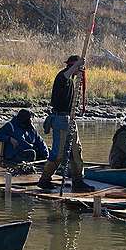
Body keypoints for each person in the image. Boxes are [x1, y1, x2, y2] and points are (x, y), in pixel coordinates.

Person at [36, 55, 93, 192]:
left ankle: (78, 181)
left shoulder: (73, 81)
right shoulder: (62, 76)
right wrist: (77, 65)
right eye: (78, 68)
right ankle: (44, 180)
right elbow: (66, 75)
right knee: (59, 154)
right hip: (60, 119)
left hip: (70, 119)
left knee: (76, 151)